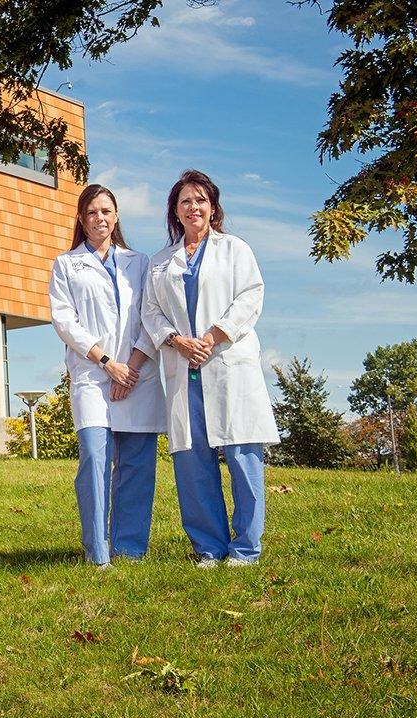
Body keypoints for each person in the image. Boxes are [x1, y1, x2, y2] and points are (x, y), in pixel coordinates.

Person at [142, 169, 279, 568]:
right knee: (192, 461)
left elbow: (251, 295)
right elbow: (149, 311)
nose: (193, 207)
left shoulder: (235, 249)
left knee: (241, 454)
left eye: (200, 200)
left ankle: (246, 548)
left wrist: (214, 336)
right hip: (184, 367)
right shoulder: (159, 262)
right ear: (175, 212)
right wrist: (175, 339)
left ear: (213, 208)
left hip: (226, 362)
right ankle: (209, 546)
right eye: (185, 201)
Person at [48, 184, 166, 567]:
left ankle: (130, 550)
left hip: (137, 375)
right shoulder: (67, 265)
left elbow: (153, 318)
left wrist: (129, 367)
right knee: (95, 462)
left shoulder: (140, 262)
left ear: (116, 217)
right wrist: (107, 363)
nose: (101, 218)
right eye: (93, 212)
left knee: (137, 467)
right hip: (92, 376)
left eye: (107, 211)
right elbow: (65, 321)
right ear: (81, 219)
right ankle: (98, 552)